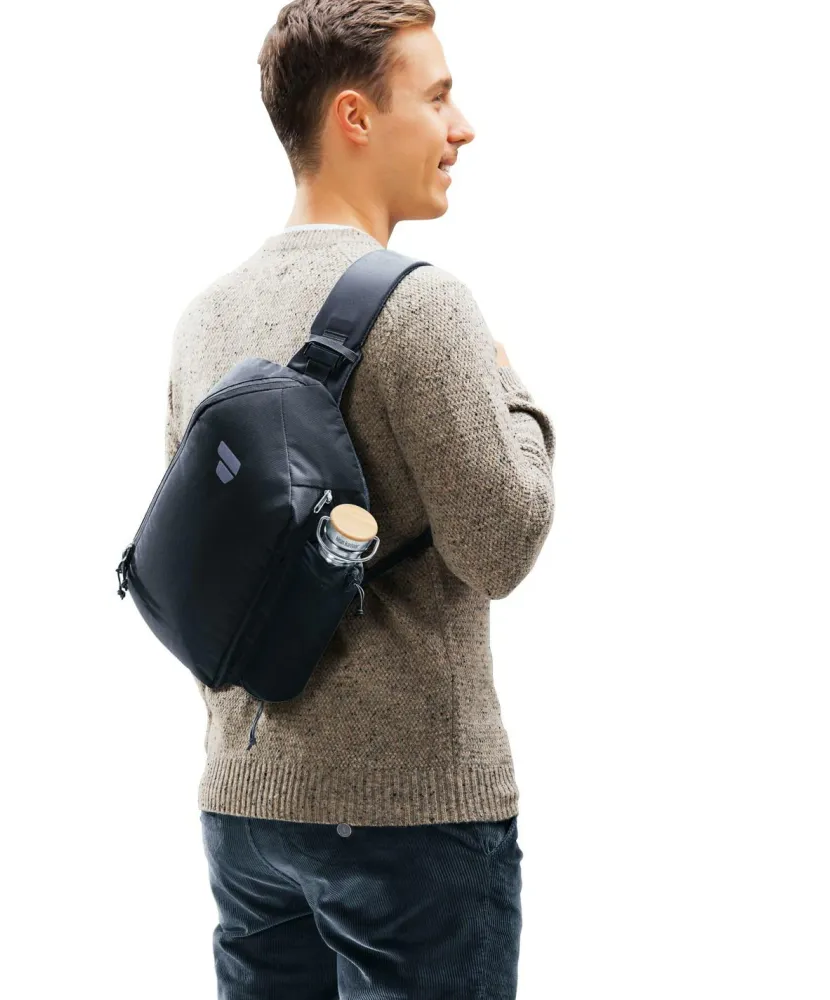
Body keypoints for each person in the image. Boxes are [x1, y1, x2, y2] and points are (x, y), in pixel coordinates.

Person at [165, 2, 557, 996]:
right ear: (354, 116)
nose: (462, 127)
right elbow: (501, 546)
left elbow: (197, 574)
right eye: (437, 98)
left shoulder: (206, 317)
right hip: (408, 816)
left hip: (246, 809)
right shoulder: (424, 304)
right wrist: (514, 394)